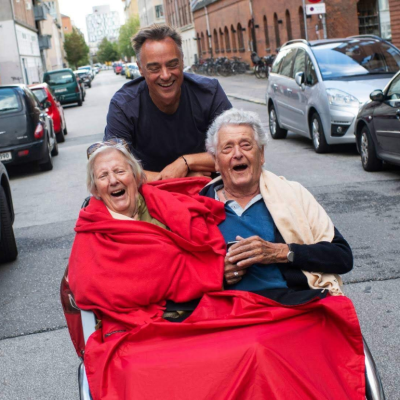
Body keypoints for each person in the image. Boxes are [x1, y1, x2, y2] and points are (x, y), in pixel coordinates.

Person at [65, 136, 365, 399]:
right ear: (95, 188)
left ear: (136, 175)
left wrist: (278, 254)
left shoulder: (165, 201)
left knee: (262, 346)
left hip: (213, 303)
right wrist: (211, 272)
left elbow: (198, 238)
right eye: (103, 176)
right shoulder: (94, 227)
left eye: (120, 171)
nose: (113, 180)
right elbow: (91, 285)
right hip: (157, 318)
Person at [201, 108, 353, 301]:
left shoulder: (293, 194)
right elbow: (174, 273)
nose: (237, 154)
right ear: (215, 161)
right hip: (223, 311)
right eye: (227, 148)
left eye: (246, 145)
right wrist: (215, 273)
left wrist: (282, 252)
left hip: (289, 305)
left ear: (261, 154)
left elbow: (342, 256)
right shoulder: (198, 205)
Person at [104, 24, 232, 182]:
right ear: (140, 69)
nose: (165, 75)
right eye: (154, 68)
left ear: (182, 61)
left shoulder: (209, 93)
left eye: (172, 65)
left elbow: (234, 152)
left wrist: (186, 162)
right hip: (150, 197)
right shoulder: (123, 106)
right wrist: (176, 180)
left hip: (209, 191)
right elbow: (112, 168)